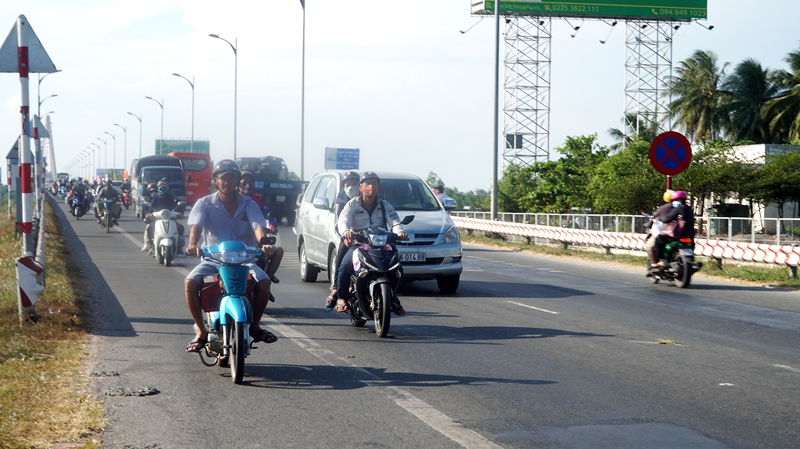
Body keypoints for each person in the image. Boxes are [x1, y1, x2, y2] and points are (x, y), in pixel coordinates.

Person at [183, 159, 278, 353]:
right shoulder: (204, 203)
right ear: (215, 181)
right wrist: (193, 244)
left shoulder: (249, 204)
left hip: (244, 261)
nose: (227, 182)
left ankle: (255, 326)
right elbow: (196, 227)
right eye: (223, 178)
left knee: (264, 283)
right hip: (213, 260)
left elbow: (258, 227)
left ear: (238, 182)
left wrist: (264, 244)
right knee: (190, 283)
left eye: (232, 178)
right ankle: (201, 330)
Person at [331, 171, 408, 315]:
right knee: (344, 266)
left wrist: (399, 232)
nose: (371, 187)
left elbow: (395, 221)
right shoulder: (352, 204)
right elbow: (343, 221)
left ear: (378, 188)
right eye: (367, 184)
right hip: (358, 243)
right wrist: (347, 231)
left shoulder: (384, 205)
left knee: (397, 268)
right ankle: (342, 298)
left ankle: (391, 297)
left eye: (374, 184)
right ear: (361, 187)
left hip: (380, 243)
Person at [238, 171, 283, 284]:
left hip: (258, 238)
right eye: (244, 182)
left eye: (250, 182)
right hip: (238, 240)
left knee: (278, 251)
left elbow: (267, 215)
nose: (247, 185)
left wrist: (272, 226)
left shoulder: (256, 200)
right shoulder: (233, 199)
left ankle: (267, 279)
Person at [325, 170, 360, 308]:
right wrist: (345, 236)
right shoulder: (342, 200)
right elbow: (338, 223)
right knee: (342, 258)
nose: (351, 187)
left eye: (354, 183)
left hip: (369, 239)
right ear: (344, 186)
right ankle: (336, 287)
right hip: (347, 237)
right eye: (348, 184)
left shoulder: (371, 199)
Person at [652, 190, 696, 270]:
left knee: (658, 240)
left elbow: (666, 219)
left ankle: (661, 260)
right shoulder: (689, 209)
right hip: (689, 234)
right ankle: (691, 261)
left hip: (677, 234)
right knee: (691, 244)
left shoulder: (679, 208)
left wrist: (659, 218)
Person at [141, 182, 185, 253]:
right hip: (158, 219)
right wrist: (149, 214)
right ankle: (149, 244)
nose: (163, 189)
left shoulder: (170, 198)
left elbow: (175, 207)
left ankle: (179, 246)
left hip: (170, 218)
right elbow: (150, 209)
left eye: (164, 188)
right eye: (161, 188)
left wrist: (178, 213)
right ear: (158, 189)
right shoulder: (155, 199)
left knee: (180, 227)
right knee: (149, 227)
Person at [643, 190, 674, 266]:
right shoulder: (682, 207)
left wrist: (648, 225)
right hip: (678, 234)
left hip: (663, 233)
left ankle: (656, 264)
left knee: (650, 246)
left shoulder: (663, 208)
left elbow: (653, 218)